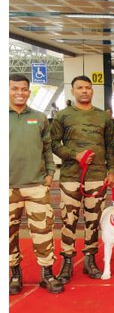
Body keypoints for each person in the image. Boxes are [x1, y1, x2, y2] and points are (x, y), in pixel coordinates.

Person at [51, 75, 114, 280]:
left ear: (92, 91)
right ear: (73, 91)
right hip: (71, 175)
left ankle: (90, 260)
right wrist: (74, 155)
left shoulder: (103, 117)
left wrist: (112, 171)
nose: (84, 91)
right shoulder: (63, 116)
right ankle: (67, 261)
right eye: (80, 87)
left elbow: (110, 146)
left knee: (93, 220)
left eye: (88, 87)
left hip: (97, 176)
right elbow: (53, 143)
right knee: (68, 220)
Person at [9, 73, 62, 294]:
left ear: (29, 91)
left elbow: (47, 148)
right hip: (8, 187)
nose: (20, 93)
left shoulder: (39, 118)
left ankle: (47, 274)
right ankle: (14, 274)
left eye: (24, 89)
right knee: (8, 235)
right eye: (14, 89)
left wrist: (50, 173)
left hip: (36, 185)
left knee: (43, 231)